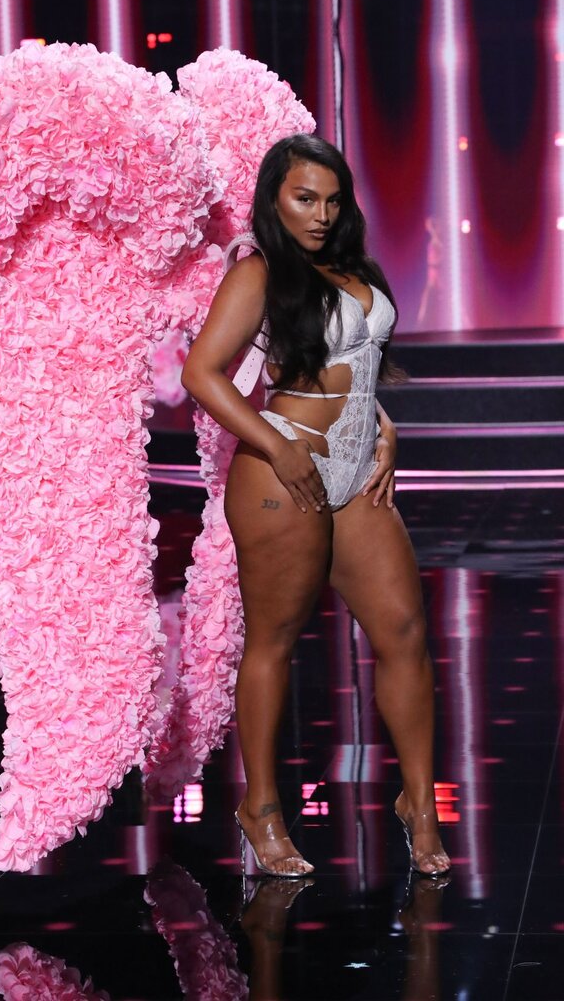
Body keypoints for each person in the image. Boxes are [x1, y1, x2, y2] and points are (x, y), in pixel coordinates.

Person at [181, 134, 450, 878]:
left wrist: (384, 427)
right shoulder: (260, 272)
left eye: (332, 200)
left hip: (358, 472)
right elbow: (203, 373)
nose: (321, 214)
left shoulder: (354, 268)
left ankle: (419, 804)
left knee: (404, 632)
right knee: (273, 642)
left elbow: (355, 368)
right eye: (305, 198)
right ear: (275, 199)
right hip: (284, 471)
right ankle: (261, 809)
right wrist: (276, 444)